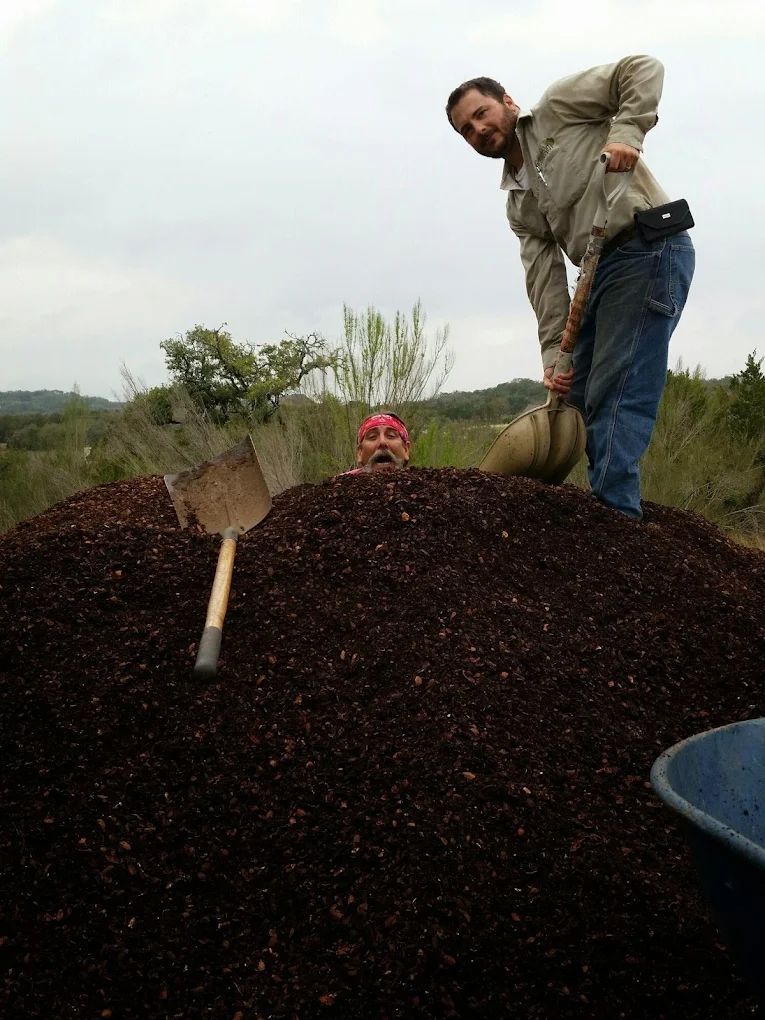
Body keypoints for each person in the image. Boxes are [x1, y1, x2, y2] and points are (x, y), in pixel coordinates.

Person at [446, 56, 695, 519]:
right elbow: (544, 284)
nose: (477, 130)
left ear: (508, 103)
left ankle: (616, 519)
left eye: (481, 114)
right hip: (597, 273)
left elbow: (641, 69)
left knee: (615, 391)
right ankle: (546, 519)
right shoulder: (519, 205)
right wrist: (554, 357)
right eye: (466, 130)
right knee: (573, 396)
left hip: (646, 247)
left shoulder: (558, 108)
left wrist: (626, 134)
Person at [341, 412, 411, 475]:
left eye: (391, 436)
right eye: (372, 437)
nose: (382, 442)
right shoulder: (337, 486)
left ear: (406, 449)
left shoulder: (421, 485)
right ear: (360, 452)